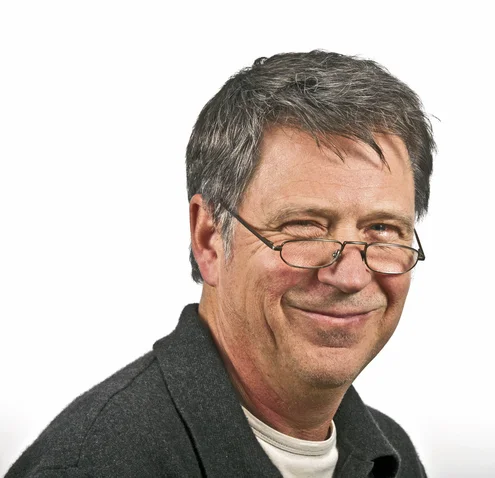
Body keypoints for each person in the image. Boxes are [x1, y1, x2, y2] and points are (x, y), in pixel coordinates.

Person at [7, 50, 435, 478]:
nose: (352, 275)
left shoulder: (393, 456)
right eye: (304, 228)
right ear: (209, 239)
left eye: (382, 230)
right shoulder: (96, 467)